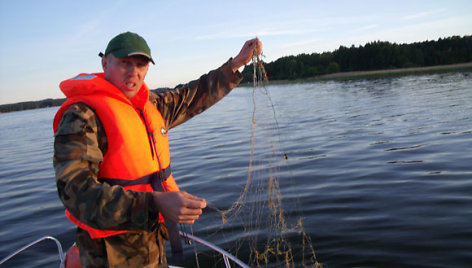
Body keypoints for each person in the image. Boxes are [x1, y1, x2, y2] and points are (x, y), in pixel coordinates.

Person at [53, 31, 262, 267]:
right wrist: (156, 203)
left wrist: (236, 63)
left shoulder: (151, 104)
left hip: (153, 242)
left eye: (141, 64)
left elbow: (191, 96)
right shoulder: (82, 117)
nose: (134, 72)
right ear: (105, 63)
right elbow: (76, 193)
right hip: (110, 254)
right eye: (125, 63)